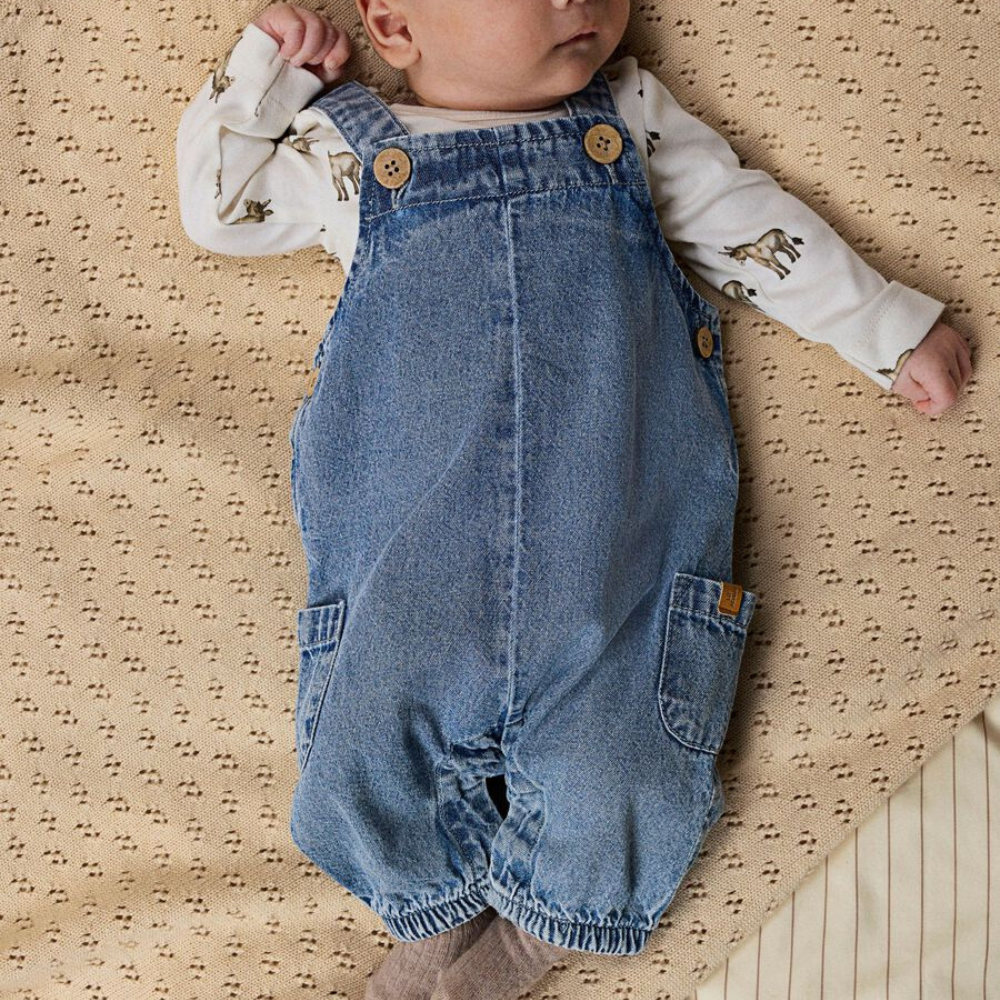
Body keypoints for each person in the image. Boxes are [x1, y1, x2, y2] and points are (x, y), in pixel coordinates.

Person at [175, 3, 973, 998]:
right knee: (365, 756)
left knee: (622, 767)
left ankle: (529, 939)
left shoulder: (628, 122)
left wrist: (885, 324)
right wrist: (271, 69)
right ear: (393, 24)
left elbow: (754, 228)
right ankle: (434, 910)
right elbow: (217, 204)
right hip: (409, 573)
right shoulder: (343, 149)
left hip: (616, 561)